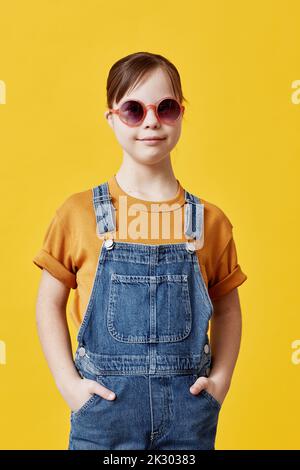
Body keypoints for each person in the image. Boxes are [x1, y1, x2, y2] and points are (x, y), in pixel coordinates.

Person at [33, 51, 247, 450]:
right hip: (103, 416)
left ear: (182, 113)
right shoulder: (77, 213)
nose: (151, 121)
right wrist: (70, 386)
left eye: (166, 108)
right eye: (133, 109)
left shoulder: (209, 222)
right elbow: (48, 303)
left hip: (189, 417)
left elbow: (229, 307)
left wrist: (220, 382)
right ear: (111, 117)